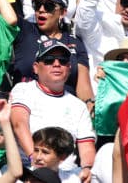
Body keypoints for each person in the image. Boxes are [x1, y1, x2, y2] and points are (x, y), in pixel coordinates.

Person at [9, 39, 96, 179]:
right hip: (28, 167)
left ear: (69, 67)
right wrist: (35, 159)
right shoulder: (23, 89)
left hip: (65, 173)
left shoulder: (78, 105)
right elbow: (19, 124)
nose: (56, 64)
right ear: (36, 67)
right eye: (49, 60)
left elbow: (86, 146)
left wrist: (87, 169)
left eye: (62, 61)